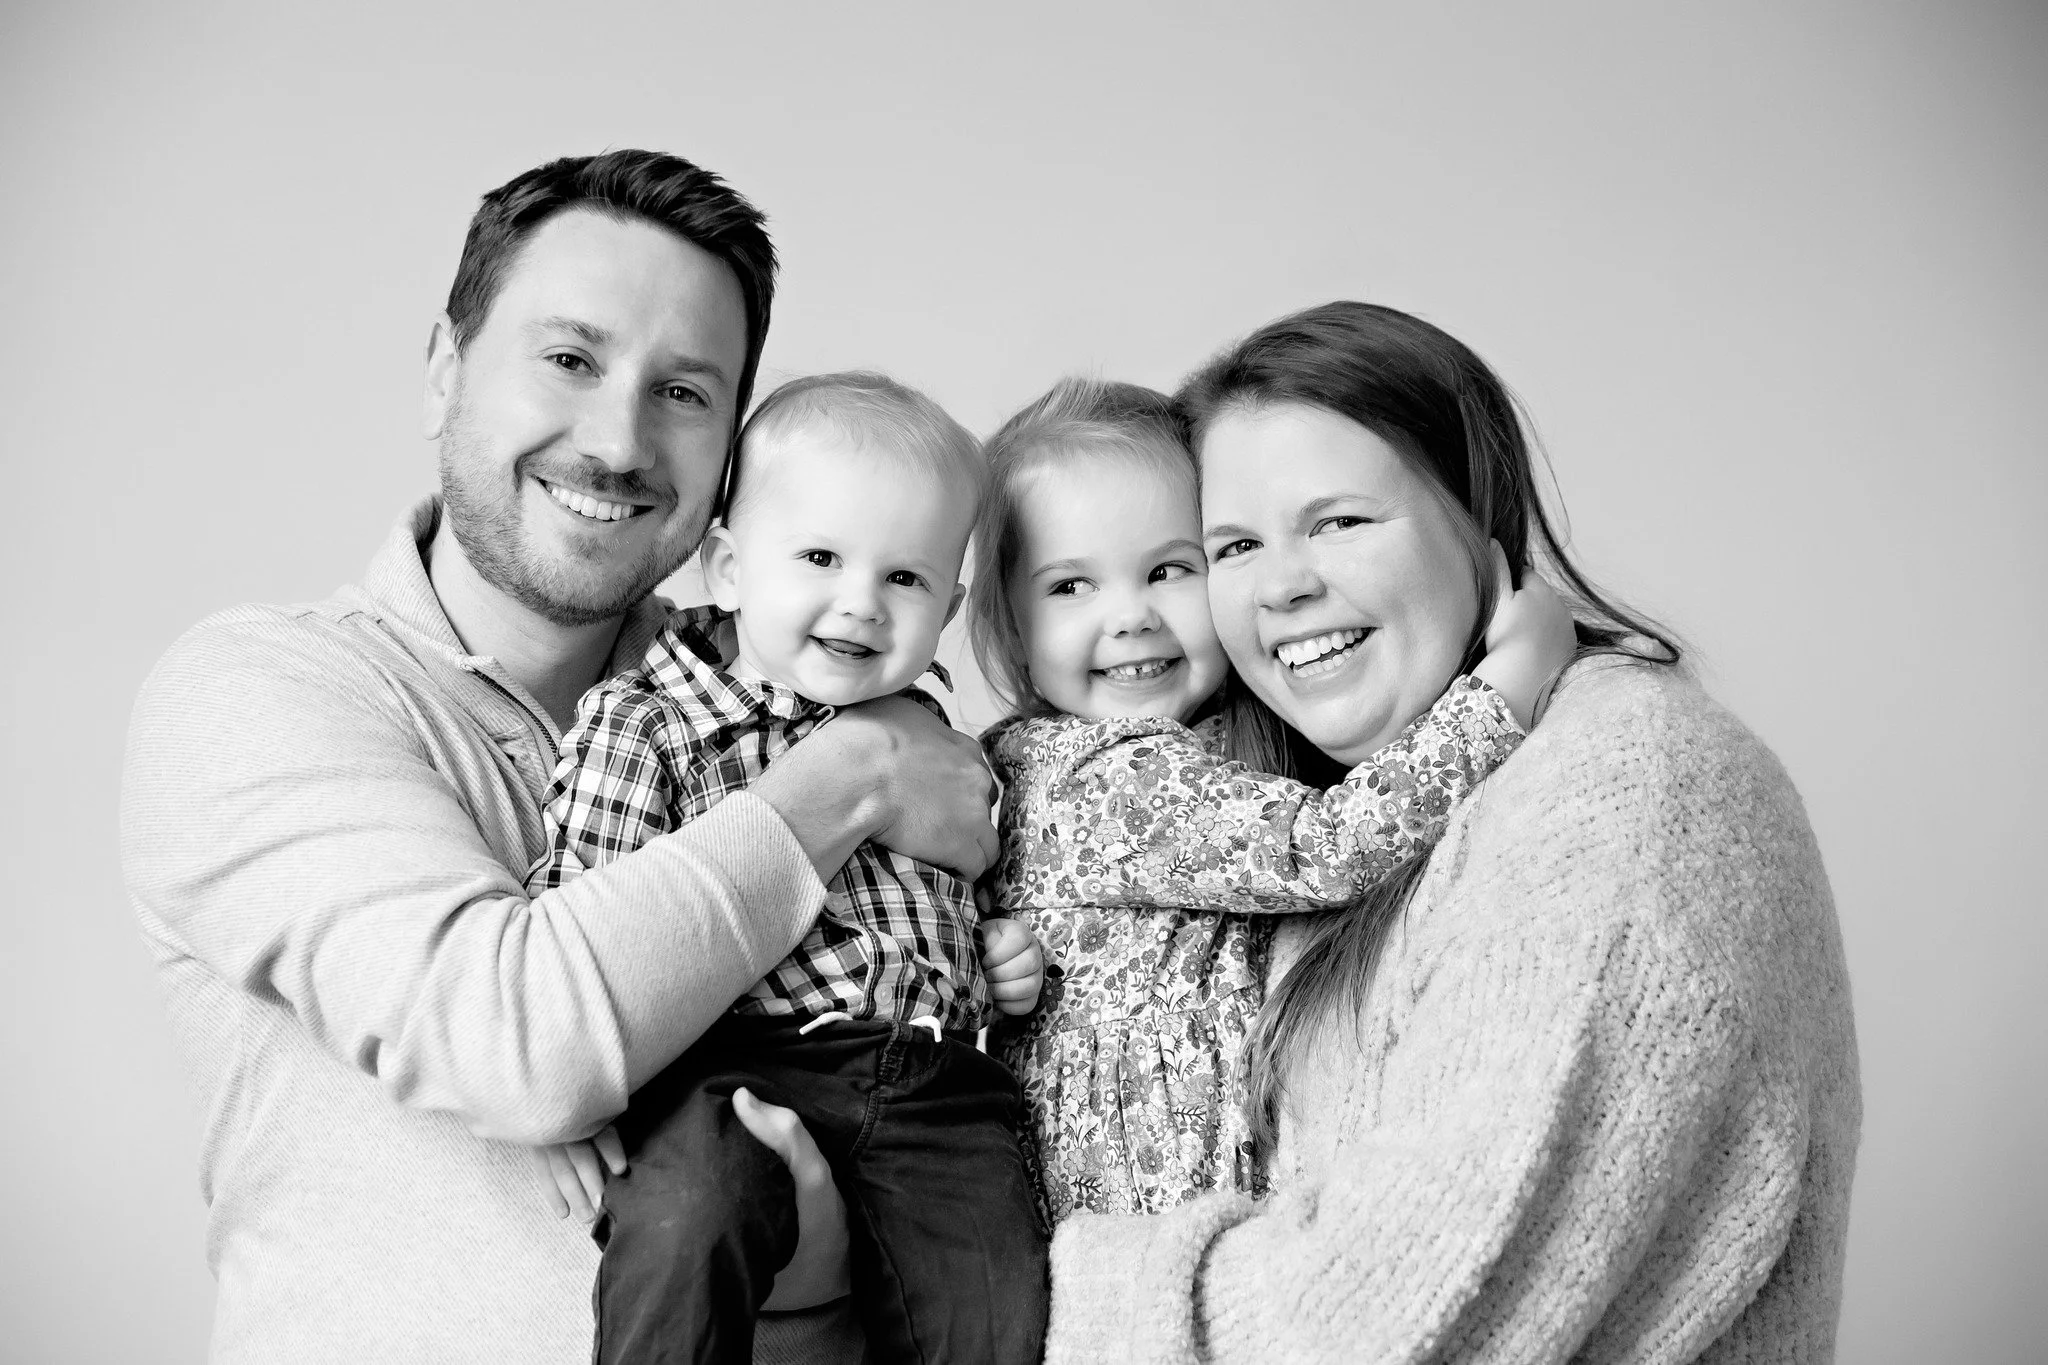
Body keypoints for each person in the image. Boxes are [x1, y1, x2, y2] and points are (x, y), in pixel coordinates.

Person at [119, 150, 984, 1364]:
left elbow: (961, 900)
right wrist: (850, 779)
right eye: (570, 360)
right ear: (444, 369)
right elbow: (520, 1043)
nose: (619, 441)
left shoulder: (793, 683)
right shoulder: (261, 691)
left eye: (684, 392)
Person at [1044, 302, 1861, 1362]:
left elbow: (1379, 1323)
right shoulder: (1337, 814)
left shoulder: (1623, 790)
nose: (1284, 584)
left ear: (1480, 515)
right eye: (1235, 545)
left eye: (1338, 520)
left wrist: (962, 1295)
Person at [527, 371, 1049, 1363]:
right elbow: (574, 920)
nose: (859, 603)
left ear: (949, 606)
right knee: (688, 1211)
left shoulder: (936, 748)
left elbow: (951, 900)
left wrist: (996, 954)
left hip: (936, 1083)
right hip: (736, 1068)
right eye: (819, 557)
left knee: (996, 1315)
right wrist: (564, 1093)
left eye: (904, 579)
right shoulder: (651, 720)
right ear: (727, 565)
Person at [967, 376, 1575, 1223]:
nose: (1131, 616)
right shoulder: (1104, 775)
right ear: (1010, 628)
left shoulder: (1216, 740)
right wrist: (1509, 684)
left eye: (1169, 569)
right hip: (1144, 1204)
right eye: (1071, 586)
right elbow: (1322, 847)